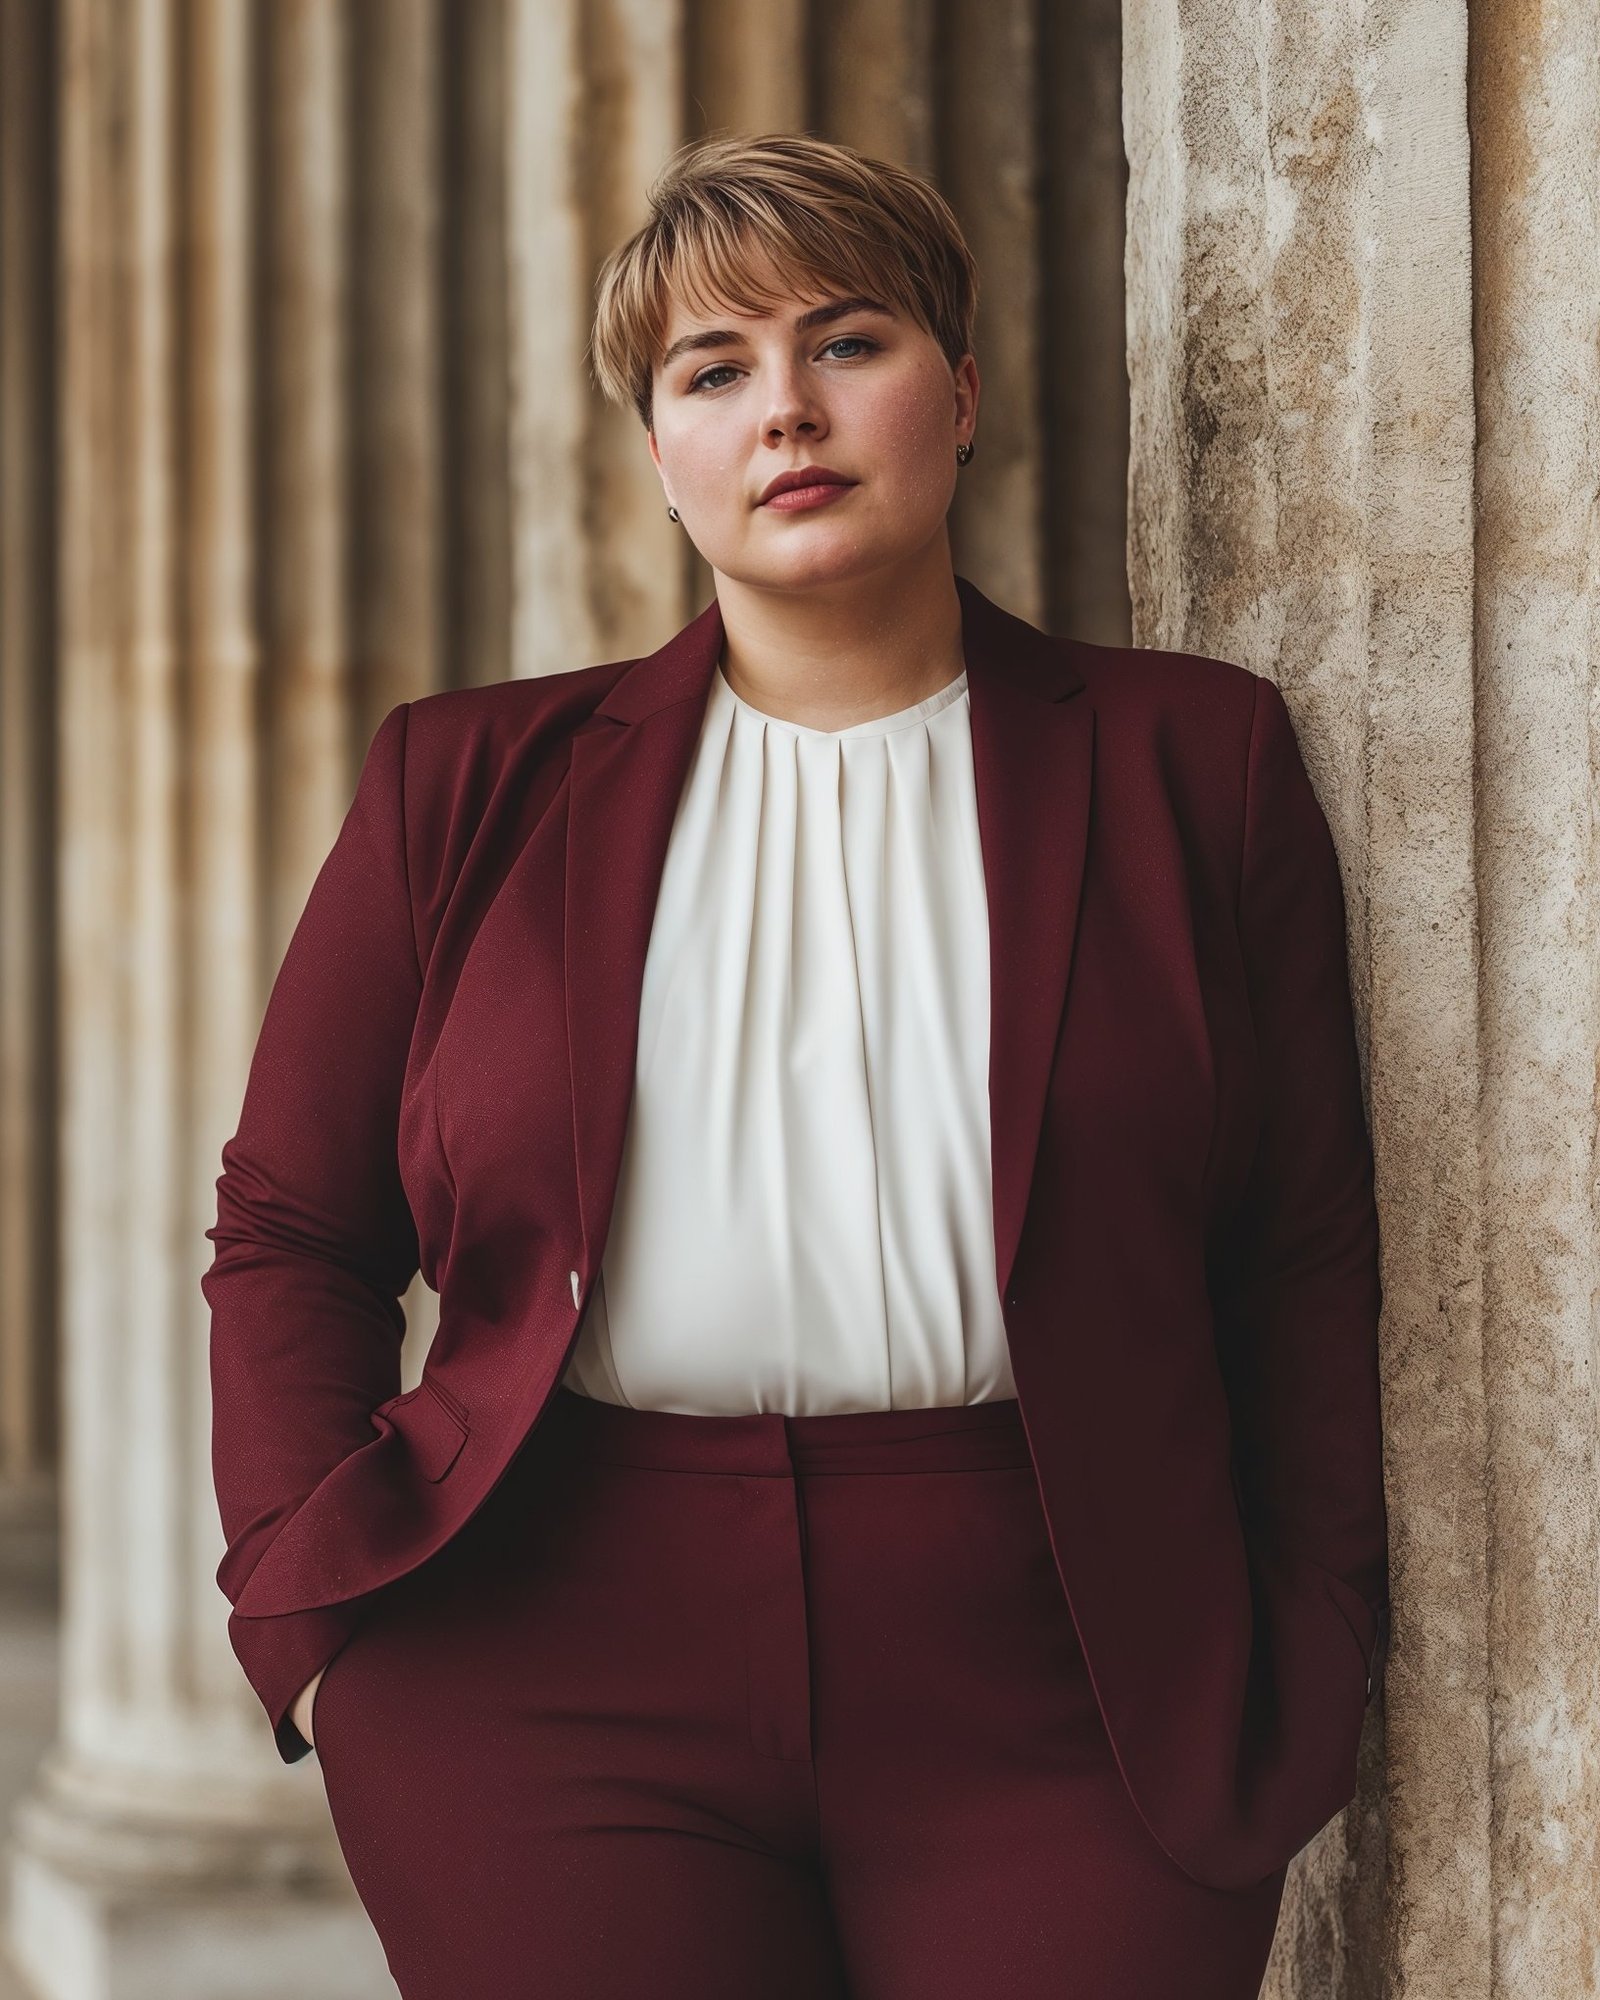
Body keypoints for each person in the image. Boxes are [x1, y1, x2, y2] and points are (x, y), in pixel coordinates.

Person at [205, 131, 1389, 1999]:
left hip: (1072, 1660)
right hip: (549, 1657)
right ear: (662, 458)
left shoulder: (1195, 765)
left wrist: (1312, 1655)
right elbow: (290, 1221)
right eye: (713, 371)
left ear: (963, 393)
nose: (787, 413)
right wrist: (312, 1600)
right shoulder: (465, 783)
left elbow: (1303, 1256)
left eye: (848, 343)